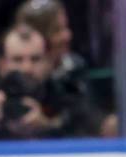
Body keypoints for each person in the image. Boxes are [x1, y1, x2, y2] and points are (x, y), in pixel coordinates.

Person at [15, 0, 118, 137]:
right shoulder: (12, 78)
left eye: (66, 27)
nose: (67, 35)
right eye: (57, 30)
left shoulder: (72, 70)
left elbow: (87, 117)